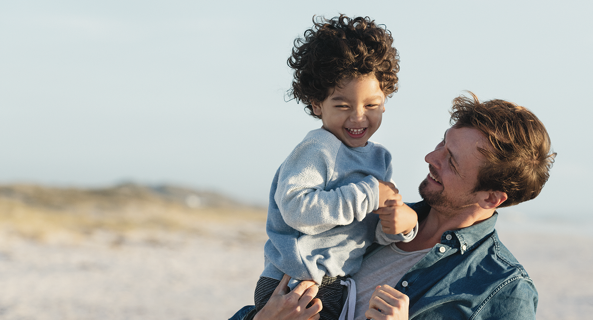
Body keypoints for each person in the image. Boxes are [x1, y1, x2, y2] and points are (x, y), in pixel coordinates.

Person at [234, 92, 555, 320]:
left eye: (451, 162)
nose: (431, 158)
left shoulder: (503, 289)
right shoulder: (369, 218)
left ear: (489, 198)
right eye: (443, 142)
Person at [252, 15, 419, 320]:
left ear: (385, 100)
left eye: (371, 105)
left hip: (337, 284)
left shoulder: (380, 160)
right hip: (293, 281)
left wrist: (400, 225)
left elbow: (369, 233)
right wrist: (369, 194)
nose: (358, 118)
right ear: (317, 104)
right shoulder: (317, 149)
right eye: (342, 106)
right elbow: (296, 209)